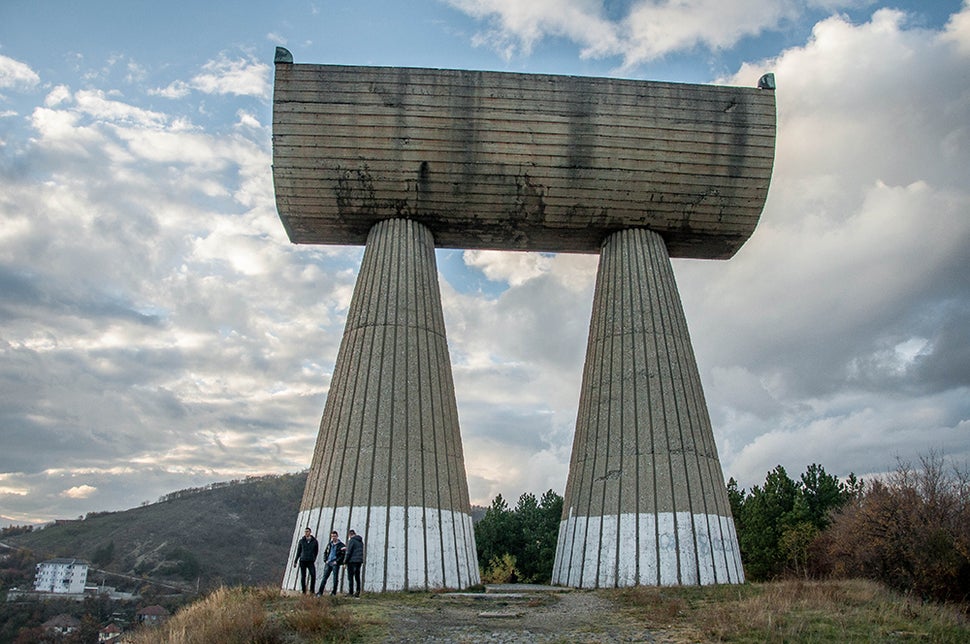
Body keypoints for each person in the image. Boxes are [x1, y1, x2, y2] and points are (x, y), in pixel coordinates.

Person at [317, 530, 345, 596]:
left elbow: (343, 555)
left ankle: (333, 592)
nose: (333, 538)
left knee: (335, 579)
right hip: (328, 563)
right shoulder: (329, 544)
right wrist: (325, 560)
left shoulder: (341, 545)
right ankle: (320, 592)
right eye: (332, 536)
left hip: (335, 563)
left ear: (337, 536)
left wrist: (337, 561)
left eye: (335, 536)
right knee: (324, 578)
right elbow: (325, 552)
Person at [293, 527, 318, 594]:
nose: (306, 533)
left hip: (310, 561)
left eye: (307, 531)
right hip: (303, 560)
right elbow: (298, 551)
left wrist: (313, 558)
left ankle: (312, 591)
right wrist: (295, 561)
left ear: (310, 532)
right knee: (303, 576)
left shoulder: (314, 541)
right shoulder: (301, 541)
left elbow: (316, 551)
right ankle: (304, 591)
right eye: (305, 531)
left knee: (313, 575)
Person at [344, 529, 364, 597]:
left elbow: (348, 552)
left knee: (350, 577)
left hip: (352, 561)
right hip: (359, 561)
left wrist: (345, 561)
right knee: (357, 577)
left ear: (350, 535)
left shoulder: (351, 540)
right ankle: (357, 592)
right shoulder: (360, 541)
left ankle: (351, 592)